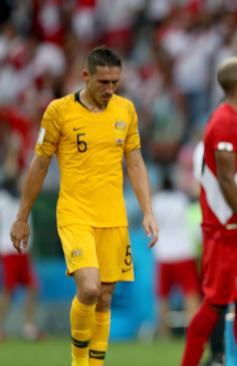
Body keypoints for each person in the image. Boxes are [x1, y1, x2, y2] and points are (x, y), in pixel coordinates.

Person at [10, 46, 159, 366]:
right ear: (86, 76)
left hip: (113, 216)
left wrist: (147, 210)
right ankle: (79, 363)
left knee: (104, 297)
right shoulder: (59, 111)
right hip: (75, 214)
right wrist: (22, 217)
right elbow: (39, 166)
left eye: (115, 83)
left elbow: (134, 163)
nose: (110, 90)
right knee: (89, 289)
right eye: (103, 82)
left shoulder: (126, 110)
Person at [181, 56, 237, 366]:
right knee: (215, 302)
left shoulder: (234, 120)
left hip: (233, 229)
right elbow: (226, 179)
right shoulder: (226, 121)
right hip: (226, 231)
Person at [152, 174, 200, 339]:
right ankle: (193, 332)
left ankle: (165, 333)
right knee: (191, 294)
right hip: (184, 252)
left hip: (164, 254)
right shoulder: (182, 200)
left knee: (163, 297)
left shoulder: (155, 202)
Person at [0, 180, 41, 341]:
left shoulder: (24, 200)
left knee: (32, 287)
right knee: (9, 289)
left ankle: (29, 327)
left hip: (23, 252)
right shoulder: (3, 199)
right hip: (9, 250)